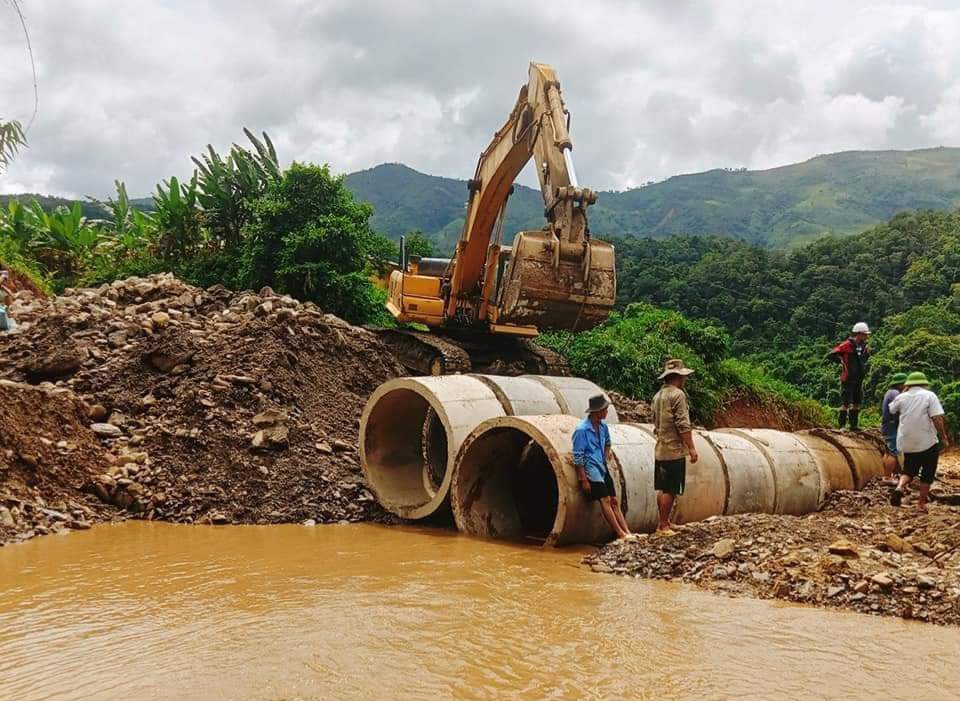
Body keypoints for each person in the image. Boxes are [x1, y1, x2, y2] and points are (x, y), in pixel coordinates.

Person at [573, 394, 634, 541]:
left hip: (601, 466)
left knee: (614, 500)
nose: (607, 412)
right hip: (591, 468)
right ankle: (620, 533)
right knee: (605, 500)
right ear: (597, 411)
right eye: (605, 409)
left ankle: (627, 531)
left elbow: (607, 443)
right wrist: (584, 479)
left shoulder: (603, 427)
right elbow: (577, 456)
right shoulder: (581, 430)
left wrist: (604, 458)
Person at [888, 372, 951, 512]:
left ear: (908, 385)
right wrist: (944, 437)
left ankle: (899, 487)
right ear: (924, 383)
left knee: (909, 470)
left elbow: (891, 409)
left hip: (907, 441)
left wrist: (904, 393)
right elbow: (937, 418)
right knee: (927, 472)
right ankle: (921, 504)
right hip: (927, 441)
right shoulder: (929, 396)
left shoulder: (901, 397)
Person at [651, 359, 699, 533]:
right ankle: (663, 526)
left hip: (660, 448)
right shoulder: (678, 395)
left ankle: (664, 521)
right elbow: (683, 425)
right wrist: (691, 448)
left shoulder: (658, 396)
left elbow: (655, 423)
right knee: (671, 489)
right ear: (678, 377)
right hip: (674, 450)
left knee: (663, 487)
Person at [826, 322, 872, 430]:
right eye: (865, 334)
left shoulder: (865, 348)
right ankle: (841, 425)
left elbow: (864, 360)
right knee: (845, 403)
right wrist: (841, 361)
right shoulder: (847, 345)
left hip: (859, 379)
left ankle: (853, 426)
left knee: (857, 402)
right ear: (859, 334)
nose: (866, 336)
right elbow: (831, 354)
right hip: (848, 378)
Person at [880, 372, 908, 480]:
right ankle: (887, 477)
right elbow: (898, 410)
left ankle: (886, 475)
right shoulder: (895, 394)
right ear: (900, 384)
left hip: (887, 426)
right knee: (894, 453)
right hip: (891, 427)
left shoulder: (890, 392)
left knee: (888, 452)